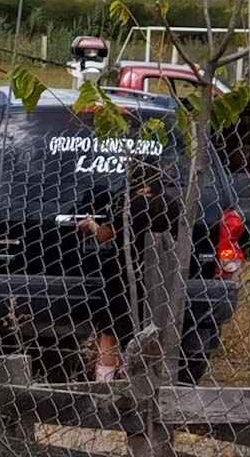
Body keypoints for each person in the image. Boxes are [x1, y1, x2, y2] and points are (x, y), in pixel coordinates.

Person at [77, 162, 180, 381]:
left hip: (124, 273)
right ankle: (147, 378)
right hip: (160, 275)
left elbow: (105, 235)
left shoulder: (128, 204)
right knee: (152, 330)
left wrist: (92, 225)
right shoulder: (170, 204)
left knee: (110, 331)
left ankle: (104, 382)